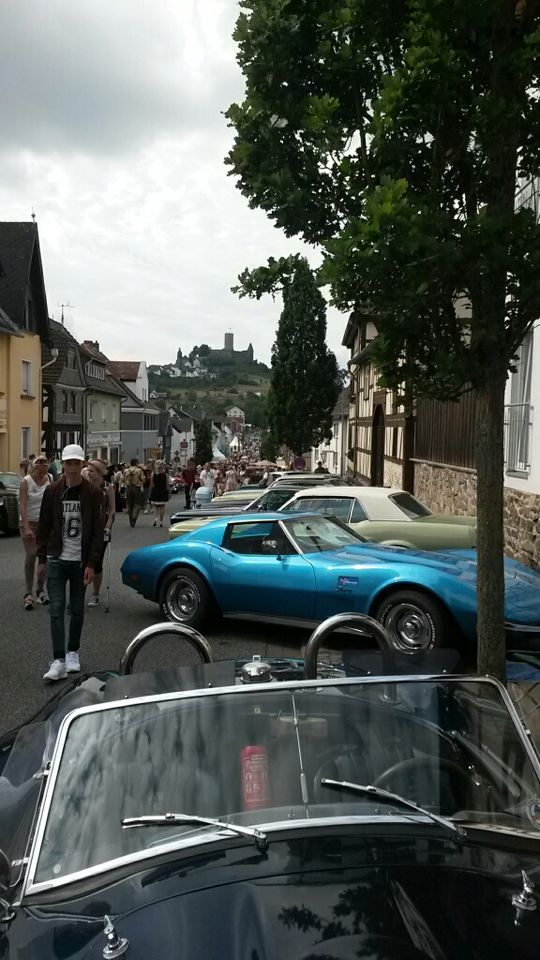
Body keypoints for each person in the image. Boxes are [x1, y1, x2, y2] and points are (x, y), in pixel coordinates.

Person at [36, 444, 105, 682]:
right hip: (56, 558)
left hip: (79, 561)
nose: (73, 468)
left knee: (76, 609)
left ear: (82, 464)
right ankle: (58, 660)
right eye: (69, 463)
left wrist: (91, 563)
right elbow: (44, 526)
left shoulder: (94, 494)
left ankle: (73, 651)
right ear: (63, 464)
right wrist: (41, 559)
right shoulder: (53, 491)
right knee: (56, 609)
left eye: (77, 463)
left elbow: (97, 532)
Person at [19, 454, 51, 610]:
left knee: (44, 557)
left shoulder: (49, 479)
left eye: (45, 462)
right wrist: (26, 527)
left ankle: (40, 590)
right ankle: (28, 593)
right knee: (31, 555)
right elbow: (23, 505)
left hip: (44, 524)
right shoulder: (26, 481)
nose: (43, 465)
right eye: (40, 463)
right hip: (29, 522)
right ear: (34, 465)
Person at [84, 460, 115, 607]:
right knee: (82, 561)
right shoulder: (84, 487)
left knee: (96, 562)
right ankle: (80, 592)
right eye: (88, 471)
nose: (88, 473)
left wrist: (108, 526)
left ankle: (95, 594)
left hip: (102, 529)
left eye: (91, 471)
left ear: (100, 473)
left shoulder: (108, 488)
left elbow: (112, 511)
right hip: (85, 528)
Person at [123, 458, 146, 527]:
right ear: (136, 463)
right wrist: (141, 486)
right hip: (136, 488)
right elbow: (143, 480)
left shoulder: (126, 471)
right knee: (138, 504)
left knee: (130, 505)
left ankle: (130, 520)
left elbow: (122, 479)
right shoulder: (139, 470)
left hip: (129, 488)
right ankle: (134, 517)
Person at [149, 460, 170, 527]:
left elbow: (151, 484)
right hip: (163, 491)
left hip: (155, 491)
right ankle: (161, 521)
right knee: (162, 507)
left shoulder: (153, 474)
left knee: (155, 507)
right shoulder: (165, 475)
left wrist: (150, 492)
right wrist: (168, 492)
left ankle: (155, 519)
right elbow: (167, 485)